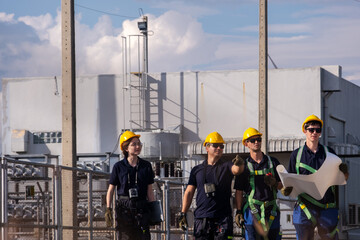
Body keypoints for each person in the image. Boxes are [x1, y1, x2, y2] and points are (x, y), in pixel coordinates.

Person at [282, 114, 349, 240]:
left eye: (317, 130)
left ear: (320, 133)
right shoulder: (296, 155)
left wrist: (344, 173)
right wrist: (286, 189)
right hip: (305, 208)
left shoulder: (329, 153)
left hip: (326, 207)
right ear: (304, 131)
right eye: (311, 129)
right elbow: (289, 179)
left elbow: (343, 179)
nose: (314, 132)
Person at [178, 131, 245, 239]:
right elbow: (189, 192)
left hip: (222, 219)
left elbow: (237, 170)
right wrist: (183, 213)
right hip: (202, 219)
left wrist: (240, 164)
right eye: (215, 145)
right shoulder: (197, 170)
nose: (219, 148)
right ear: (207, 147)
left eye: (221, 146)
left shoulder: (226, 166)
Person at [234, 127, 283, 240]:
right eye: (252, 140)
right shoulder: (244, 166)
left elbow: (283, 186)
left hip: (271, 211)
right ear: (246, 144)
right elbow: (239, 191)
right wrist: (239, 211)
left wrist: (275, 183)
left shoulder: (273, 162)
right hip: (251, 213)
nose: (256, 142)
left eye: (259, 139)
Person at [105, 131, 155, 240]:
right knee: (125, 236)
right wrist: (108, 209)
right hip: (124, 207)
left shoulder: (146, 166)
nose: (138, 146)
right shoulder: (118, 167)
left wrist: (153, 209)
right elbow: (110, 190)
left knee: (143, 236)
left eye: (139, 144)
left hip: (141, 207)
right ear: (126, 148)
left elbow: (149, 191)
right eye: (134, 144)